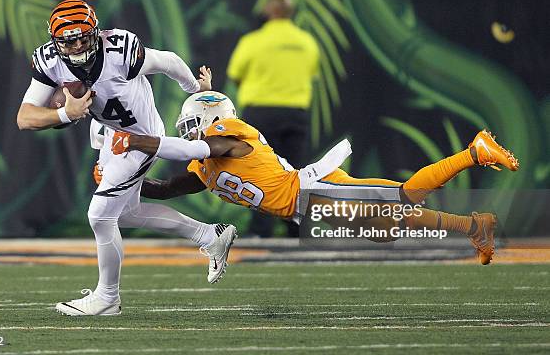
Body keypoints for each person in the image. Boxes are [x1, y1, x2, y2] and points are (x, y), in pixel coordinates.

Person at [109, 91, 520, 266]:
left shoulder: (226, 137)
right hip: (305, 211)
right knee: (391, 226)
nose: (190, 132)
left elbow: (202, 148)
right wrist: (119, 180)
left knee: (403, 197)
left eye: (194, 124)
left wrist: (134, 141)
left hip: (312, 190)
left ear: (216, 120)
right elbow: (164, 190)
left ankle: (474, 151)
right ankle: (475, 227)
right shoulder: (203, 167)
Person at [16, 0, 237, 316]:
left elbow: (168, 61)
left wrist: (194, 90)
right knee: (124, 214)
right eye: (68, 40)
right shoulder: (50, 61)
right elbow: (25, 117)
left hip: (140, 138)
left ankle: (107, 297)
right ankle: (208, 234)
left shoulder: (119, 50)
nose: (77, 45)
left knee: (100, 215)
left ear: (95, 31)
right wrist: (66, 113)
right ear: (55, 42)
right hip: (111, 134)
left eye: (83, 36)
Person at [227, 0, 320, 237]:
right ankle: (296, 230)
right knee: (295, 172)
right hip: (294, 112)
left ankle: (261, 230)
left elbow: (235, 73)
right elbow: (311, 72)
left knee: (259, 170)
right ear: (291, 12)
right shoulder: (307, 42)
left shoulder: (253, 41)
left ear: (268, 10)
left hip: (261, 112)